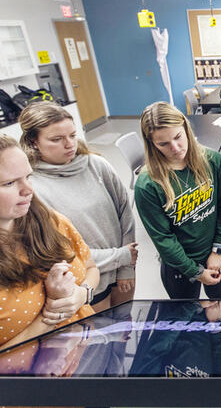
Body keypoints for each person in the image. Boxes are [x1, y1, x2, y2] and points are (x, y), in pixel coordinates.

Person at [19, 101, 136, 312]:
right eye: (57, 139)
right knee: (101, 342)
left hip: (122, 274)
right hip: (85, 283)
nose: (69, 144)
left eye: (72, 135)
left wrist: (126, 268)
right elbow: (55, 251)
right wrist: (120, 256)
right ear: (34, 142)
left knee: (126, 333)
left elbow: (125, 215)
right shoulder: (31, 187)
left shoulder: (97, 165)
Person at [0, 134, 99, 350]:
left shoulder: (51, 220)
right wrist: (51, 315)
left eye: (28, 177)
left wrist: (82, 294)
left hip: (89, 355)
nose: (28, 190)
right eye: (9, 183)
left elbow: (91, 268)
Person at [134, 101, 221, 299]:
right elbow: (163, 238)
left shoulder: (213, 161)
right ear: (151, 143)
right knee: (185, 317)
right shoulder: (148, 184)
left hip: (216, 253)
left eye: (178, 137)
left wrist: (218, 250)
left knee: (219, 303)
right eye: (163, 144)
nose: (175, 147)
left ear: (186, 129)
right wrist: (195, 272)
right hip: (179, 266)